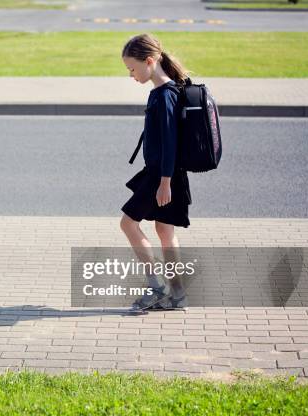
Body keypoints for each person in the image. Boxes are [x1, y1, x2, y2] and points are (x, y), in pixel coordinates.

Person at [120, 33, 190, 311]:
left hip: (161, 175)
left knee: (127, 224)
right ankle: (178, 294)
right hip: (171, 174)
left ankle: (157, 286)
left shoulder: (163, 96)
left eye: (132, 69)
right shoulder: (173, 90)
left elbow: (170, 141)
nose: (131, 75)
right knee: (164, 230)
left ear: (149, 61)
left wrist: (164, 183)